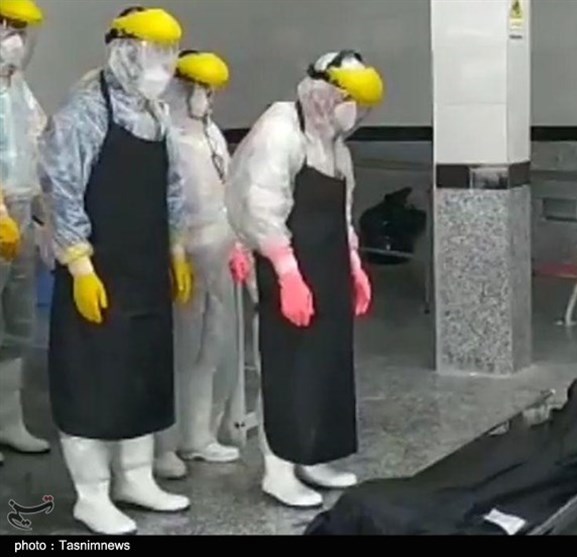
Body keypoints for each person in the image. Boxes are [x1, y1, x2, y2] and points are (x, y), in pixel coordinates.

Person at [38, 6, 193, 535]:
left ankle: (136, 477)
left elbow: (173, 186)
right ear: (124, 51)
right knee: (93, 380)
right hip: (99, 270)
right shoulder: (84, 110)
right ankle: (92, 494)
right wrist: (79, 264)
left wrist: (176, 249)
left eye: (169, 56)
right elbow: (60, 188)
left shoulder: (157, 115)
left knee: (142, 373)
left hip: (145, 269)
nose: (162, 68)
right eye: (153, 55)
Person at [225, 50, 383, 508]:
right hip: (286, 269)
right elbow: (261, 207)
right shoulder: (280, 130)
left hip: (328, 270)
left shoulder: (334, 144)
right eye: (349, 100)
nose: (354, 112)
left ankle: (313, 456)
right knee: (287, 366)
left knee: (326, 365)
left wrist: (353, 265)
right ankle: (278, 470)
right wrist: (287, 274)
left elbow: (342, 211)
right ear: (323, 92)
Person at [154, 49, 250, 480]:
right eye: (202, 89)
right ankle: (164, 444)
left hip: (219, 251)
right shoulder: (165, 137)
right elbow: (170, 201)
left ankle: (199, 434)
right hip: (184, 255)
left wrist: (239, 243)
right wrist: (175, 250)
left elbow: (227, 190)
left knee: (212, 346)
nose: (208, 98)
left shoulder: (209, 133)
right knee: (179, 351)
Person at [0, 0, 49, 465]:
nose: (14, 39)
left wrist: (44, 214)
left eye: (19, 30)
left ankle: (9, 421)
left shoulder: (18, 88)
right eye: (7, 27)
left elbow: (36, 146)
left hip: (18, 213)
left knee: (16, 324)